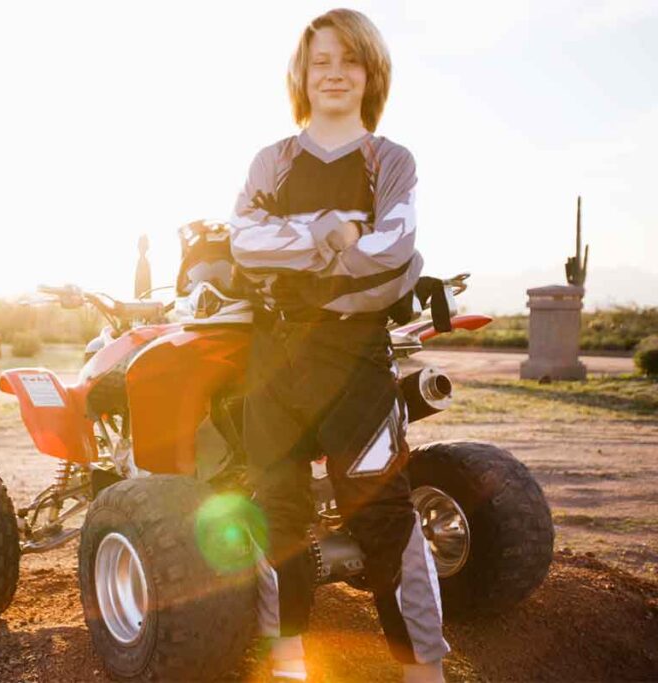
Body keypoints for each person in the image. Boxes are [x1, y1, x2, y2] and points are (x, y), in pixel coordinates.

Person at [229, 9, 449, 683]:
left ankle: (423, 666)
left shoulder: (392, 161)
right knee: (279, 505)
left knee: (381, 508)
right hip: (275, 362)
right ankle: (289, 653)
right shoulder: (273, 160)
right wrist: (334, 233)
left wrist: (299, 257)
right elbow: (243, 241)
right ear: (302, 73)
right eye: (320, 60)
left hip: (356, 359)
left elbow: (394, 253)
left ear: (370, 73)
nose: (333, 72)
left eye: (348, 60)